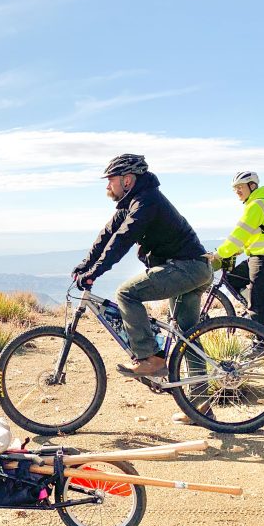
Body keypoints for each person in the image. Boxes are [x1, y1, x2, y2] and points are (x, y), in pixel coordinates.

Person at [72, 154, 213, 380]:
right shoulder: (133, 202)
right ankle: (201, 407)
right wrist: (85, 265)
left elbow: (123, 240)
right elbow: (108, 235)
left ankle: (150, 359)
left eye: (111, 179)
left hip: (186, 268)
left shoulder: (147, 202)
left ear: (127, 180)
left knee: (126, 294)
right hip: (194, 268)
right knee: (187, 339)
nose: (108, 185)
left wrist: (94, 273)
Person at [210, 171, 264, 330]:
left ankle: (260, 343)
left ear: (252, 186)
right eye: (235, 188)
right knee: (233, 279)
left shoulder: (256, 205)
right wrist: (239, 250)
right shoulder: (258, 202)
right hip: (260, 256)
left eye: (240, 187)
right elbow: (254, 233)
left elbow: (238, 235)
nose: (237, 191)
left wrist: (219, 254)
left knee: (258, 305)